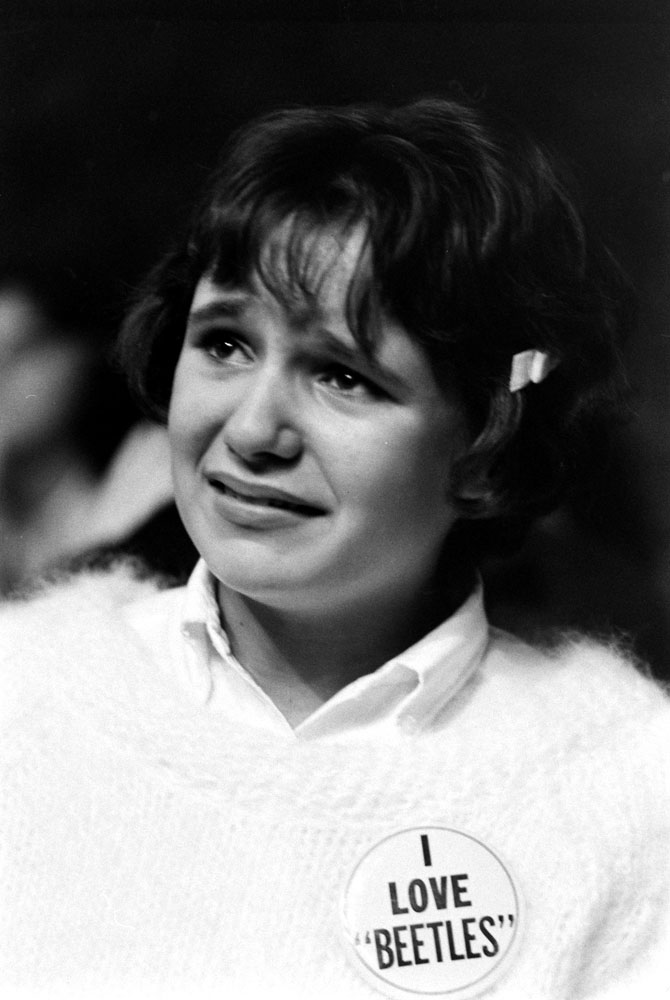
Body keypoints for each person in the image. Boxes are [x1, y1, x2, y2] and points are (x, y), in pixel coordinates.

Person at [2, 98, 669, 1000]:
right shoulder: (28, 692)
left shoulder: (624, 778)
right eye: (227, 344)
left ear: (487, 449)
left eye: (343, 376)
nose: (253, 428)